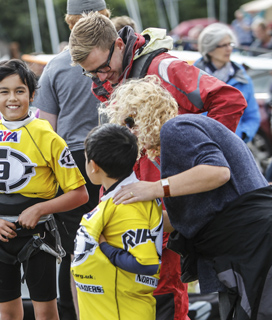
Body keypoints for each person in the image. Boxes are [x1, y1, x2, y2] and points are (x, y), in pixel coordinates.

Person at [68, 11, 248, 320]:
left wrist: (190, 157)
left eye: (101, 68)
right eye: (91, 73)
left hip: (161, 211)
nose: (99, 78)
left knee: (165, 300)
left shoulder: (163, 68)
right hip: (131, 207)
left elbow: (230, 100)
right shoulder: (114, 74)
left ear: (118, 45)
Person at [110, 75, 272, 320]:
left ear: (147, 112)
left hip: (252, 241)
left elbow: (218, 172)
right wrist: (129, 215)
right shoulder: (176, 138)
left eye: (131, 121)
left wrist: (153, 189)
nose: (130, 132)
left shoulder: (177, 127)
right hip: (245, 243)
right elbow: (186, 219)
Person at [0, 59, 89, 320]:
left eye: (20, 91)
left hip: (38, 237)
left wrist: (40, 208)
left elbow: (80, 194)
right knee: (7, 315)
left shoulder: (47, 136)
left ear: (32, 95)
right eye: (4, 92)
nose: (12, 98)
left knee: (47, 313)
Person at [34, 0, 108, 318]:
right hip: (113, 158)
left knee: (72, 247)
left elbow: (45, 128)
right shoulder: (121, 58)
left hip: (72, 160)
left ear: (68, 22)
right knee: (114, 240)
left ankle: (71, 312)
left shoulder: (56, 65)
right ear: (105, 18)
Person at [71, 123, 162, 320]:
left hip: (121, 311)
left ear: (93, 165)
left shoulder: (128, 205)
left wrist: (105, 248)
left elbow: (146, 264)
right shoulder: (120, 197)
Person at [195, 23, 260, 143]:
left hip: (233, 146)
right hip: (200, 145)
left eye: (230, 44)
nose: (229, 48)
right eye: (223, 45)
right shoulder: (191, 78)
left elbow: (253, 116)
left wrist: (243, 135)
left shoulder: (243, 79)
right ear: (209, 49)